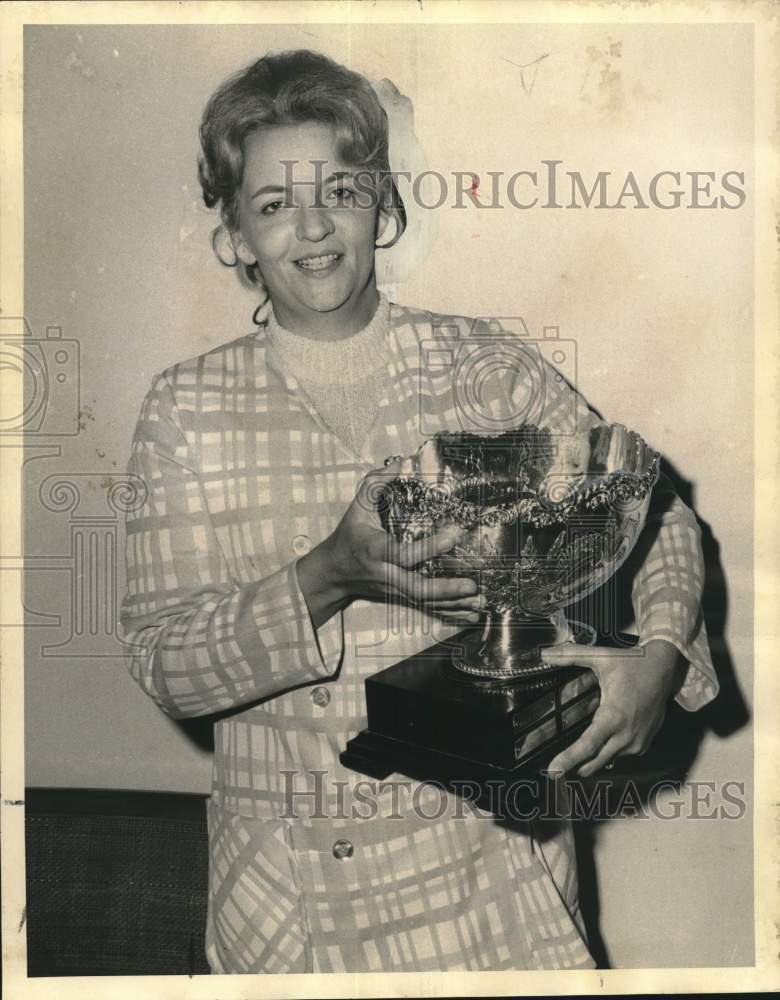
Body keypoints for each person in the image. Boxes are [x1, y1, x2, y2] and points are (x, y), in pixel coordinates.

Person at [120, 49, 718, 974]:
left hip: (497, 886)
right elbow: (167, 667)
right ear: (234, 233)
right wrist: (327, 574)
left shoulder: (483, 367)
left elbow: (650, 508)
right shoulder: (183, 411)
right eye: (274, 205)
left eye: (341, 193)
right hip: (299, 918)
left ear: (381, 204)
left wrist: (661, 653)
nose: (313, 229)